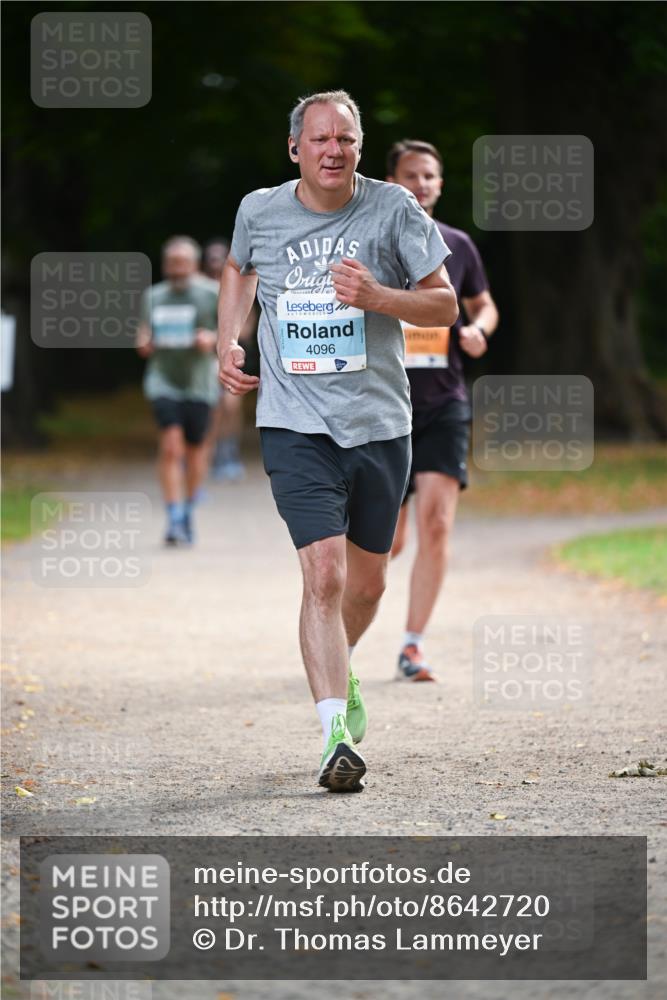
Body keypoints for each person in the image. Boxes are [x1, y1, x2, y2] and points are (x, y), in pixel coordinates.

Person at [217, 91, 458, 791]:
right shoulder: (259, 209)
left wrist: (379, 297)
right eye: (320, 138)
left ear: (358, 147)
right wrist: (229, 340)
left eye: (345, 139)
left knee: (367, 581)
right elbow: (238, 268)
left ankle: (340, 666)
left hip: (379, 423)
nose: (333, 150)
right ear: (295, 148)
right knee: (323, 574)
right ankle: (333, 736)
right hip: (294, 421)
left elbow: (444, 304)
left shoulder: (393, 209)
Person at [386, 139, 499, 680]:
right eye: (411, 175)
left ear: (440, 184)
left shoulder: (457, 244)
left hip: (444, 403)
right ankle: (341, 631)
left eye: (430, 175)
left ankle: (413, 646)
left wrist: (479, 330)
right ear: (392, 182)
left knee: (436, 525)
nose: (422, 184)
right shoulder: (374, 242)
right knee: (387, 540)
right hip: (384, 406)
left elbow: (484, 304)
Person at [136, 236, 219, 545]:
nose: (177, 269)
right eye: (171, 263)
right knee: (171, 447)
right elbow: (144, 331)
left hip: (199, 383)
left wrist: (211, 339)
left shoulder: (212, 294)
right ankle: (173, 516)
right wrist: (143, 341)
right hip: (162, 379)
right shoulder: (153, 296)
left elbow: (233, 331)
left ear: (194, 265)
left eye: (182, 263)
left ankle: (187, 510)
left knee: (196, 453)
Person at [201, 238, 256, 482]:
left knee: (231, 406)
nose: (215, 261)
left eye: (219, 257)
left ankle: (228, 453)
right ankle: (206, 455)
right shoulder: (199, 289)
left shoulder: (238, 286)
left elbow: (247, 328)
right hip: (203, 359)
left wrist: (221, 339)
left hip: (230, 356)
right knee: (211, 408)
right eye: (210, 257)